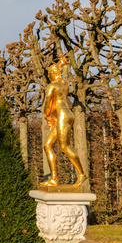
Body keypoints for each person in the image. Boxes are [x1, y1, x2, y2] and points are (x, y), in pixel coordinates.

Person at [42, 52, 87, 188]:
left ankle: (81, 174)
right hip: (65, 116)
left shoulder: (51, 87)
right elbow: (66, 76)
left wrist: (47, 117)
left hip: (62, 117)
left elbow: (46, 107)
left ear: (50, 74)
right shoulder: (64, 84)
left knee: (64, 146)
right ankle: (54, 179)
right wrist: (65, 65)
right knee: (47, 145)